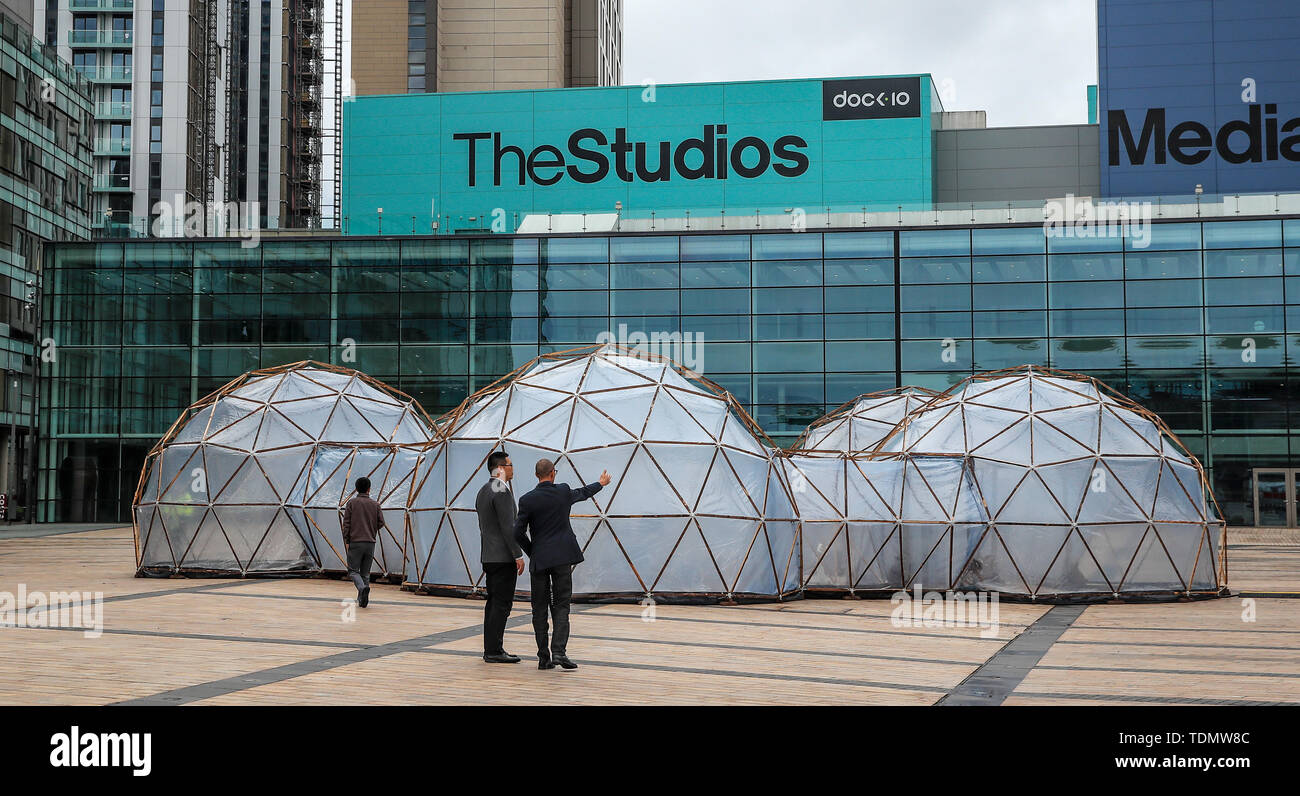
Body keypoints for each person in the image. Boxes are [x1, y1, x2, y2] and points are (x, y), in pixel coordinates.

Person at [514, 458, 612, 671]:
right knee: (561, 605)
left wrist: (533, 551)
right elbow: (583, 493)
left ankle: (543, 657)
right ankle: (559, 651)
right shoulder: (563, 491)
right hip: (562, 558)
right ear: (553, 473)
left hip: (540, 560)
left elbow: (517, 532)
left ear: (537, 475)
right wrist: (601, 483)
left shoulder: (526, 499)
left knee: (539, 608)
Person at [476, 451, 525, 664]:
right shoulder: (500, 489)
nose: (513, 469)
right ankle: (494, 650)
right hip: (502, 558)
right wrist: (518, 554)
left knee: (493, 603)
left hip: (489, 555)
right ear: (501, 468)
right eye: (511, 465)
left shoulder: (483, 490)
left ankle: (492, 648)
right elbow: (508, 527)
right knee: (501, 604)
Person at [342, 476, 385, 608]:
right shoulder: (375, 504)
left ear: (356, 489)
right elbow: (381, 522)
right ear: (369, 489)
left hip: (356, 541)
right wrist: (371, 530)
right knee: (365, 573)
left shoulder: (351, 503)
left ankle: (361, 589)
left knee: (353, 571)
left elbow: (347, 524)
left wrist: (347, 539)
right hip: (370, 542)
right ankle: (362, 600)